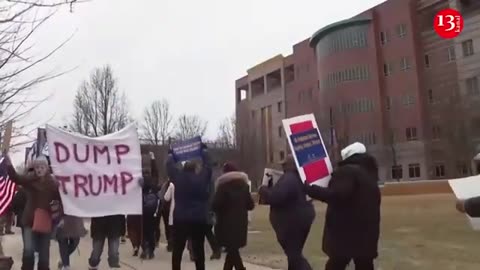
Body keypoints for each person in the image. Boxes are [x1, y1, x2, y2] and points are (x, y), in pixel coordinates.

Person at [304, 142, 381, 270]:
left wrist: (310, 189)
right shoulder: (370, 174)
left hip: (346, 232)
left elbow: (336, 195)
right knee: (365, 263)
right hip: (367, 231)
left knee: (336, 264)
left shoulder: (347, 172)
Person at [258, 155, 315, 270]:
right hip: (302, 218)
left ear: (290, 166)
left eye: (284, 164)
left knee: (294, 255)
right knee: (294, 254)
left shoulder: (289, 178)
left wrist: (263, 190)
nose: (282, 166)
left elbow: (276, 197)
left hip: (291, 222)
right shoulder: (300, 177)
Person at [6, 155, 59, 270]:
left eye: (42, 167)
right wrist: (9, 165)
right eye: (37, 167)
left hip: (45, 221)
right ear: (34, 168)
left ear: (47, 168)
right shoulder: (29, 180)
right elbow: (16, 178)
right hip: (29, 220)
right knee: (28, 250)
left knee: (44, 253)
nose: (39, 169)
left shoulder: (54, 184)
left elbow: (61, 199)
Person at [166, 143, 212, 270]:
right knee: (199, 249)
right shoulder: (201, 179)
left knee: (178, 249)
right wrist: (204, 151)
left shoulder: (177, 178)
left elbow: (169, 166)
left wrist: (171, 154)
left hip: (180, 218)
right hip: (198, 218)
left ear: (184, 168)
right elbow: (208, 167)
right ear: (195, 168)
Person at [213, 162, 255, 270]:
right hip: (240, 223)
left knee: (232, 249)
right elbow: (250, 205)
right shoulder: (244, 186)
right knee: (233, 249)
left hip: (225, 224)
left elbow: (216, 204)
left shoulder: (222, 186)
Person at [140, 152, 160, 259]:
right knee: (151, 230)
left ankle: (144, 249)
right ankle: (151, 251)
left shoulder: (140, 184)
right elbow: (156, 172)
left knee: (143, 231)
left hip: (142, 209)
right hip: (153, 210)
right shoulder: (154, 181)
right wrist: (153, 159)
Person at [162, 179, 175, 252]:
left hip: (171, 209)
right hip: (183, 209)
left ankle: (170, 245)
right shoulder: (186, 182)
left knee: (170, 228)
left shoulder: (171, 185)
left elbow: (166, 197)